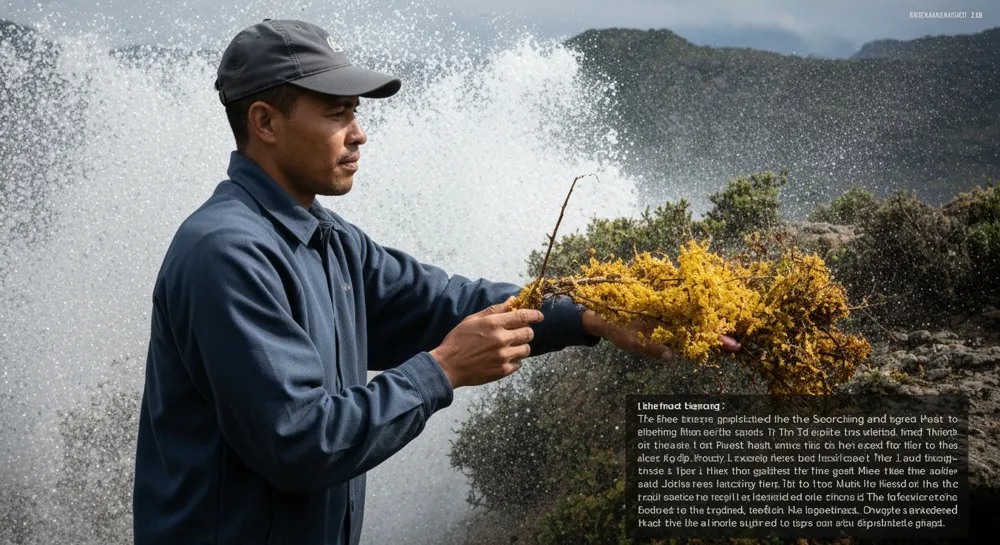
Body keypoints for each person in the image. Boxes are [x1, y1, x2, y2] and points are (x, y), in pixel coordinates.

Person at [132, 19, 740, 545]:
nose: (359, 132)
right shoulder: (226, 255)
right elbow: (300, 441)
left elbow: (441, 303)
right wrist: (443, 369)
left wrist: (589, 311)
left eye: (357, 112)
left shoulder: (327, 239)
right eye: (337, 112)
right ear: (264, 121)